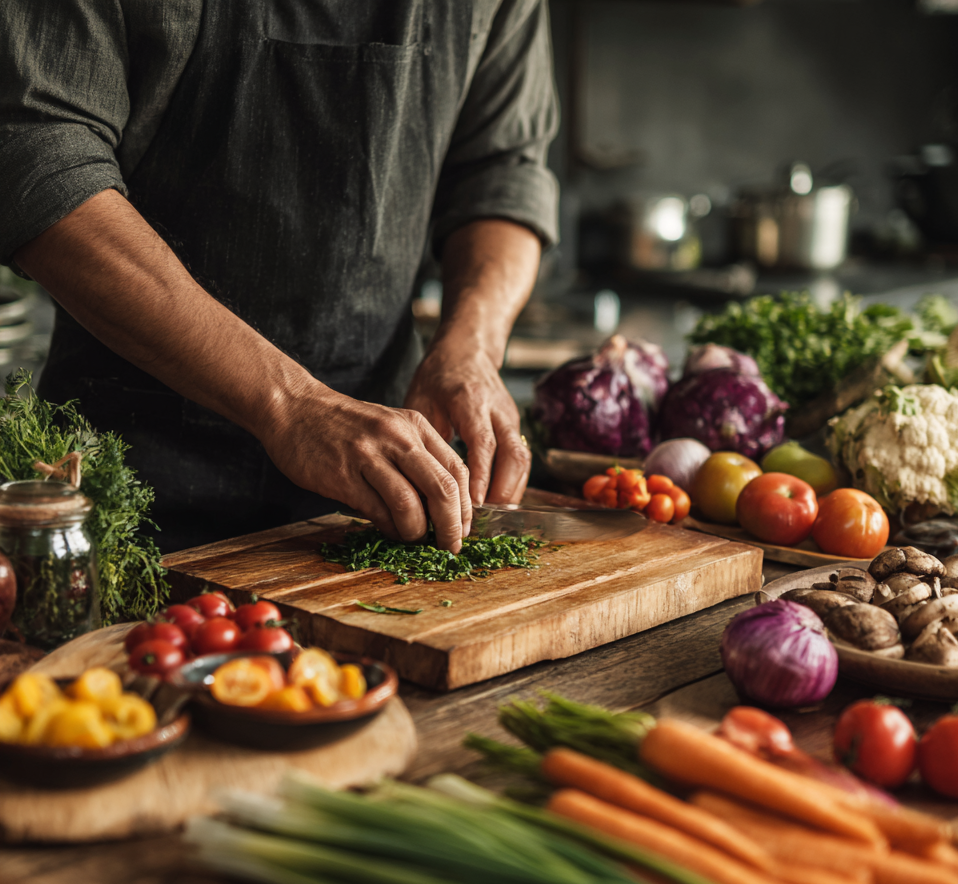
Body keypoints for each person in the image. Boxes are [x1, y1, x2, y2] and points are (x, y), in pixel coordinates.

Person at [0, 1, 559, 553]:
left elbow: (503, 169)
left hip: (380, 498)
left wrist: (472, 347)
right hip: (130, 491)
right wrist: (289, 404)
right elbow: (40, 159)